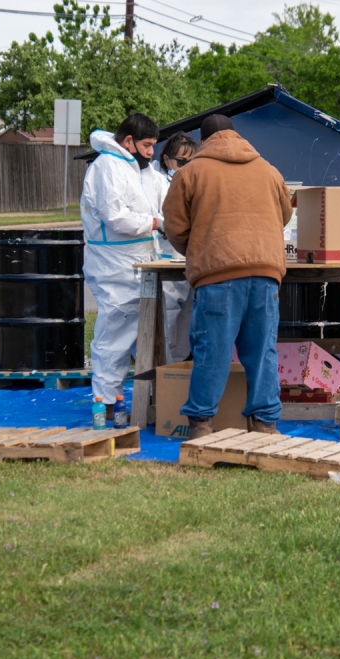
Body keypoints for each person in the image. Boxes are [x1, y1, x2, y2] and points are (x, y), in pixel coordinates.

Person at [163, 114, 293, 438]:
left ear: (202, 142)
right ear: (238, 136)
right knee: (263, 353)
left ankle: (201, 425)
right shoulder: (269, 170)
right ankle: (265, 424)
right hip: (266, 274)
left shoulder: (190, 173)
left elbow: (175, 227)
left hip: (217, 275)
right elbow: (284, 215)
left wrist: (200, 248)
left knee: (213, 352)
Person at [81, 113, 162, 415]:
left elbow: (160, 201)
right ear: (129, 141)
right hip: (114, 266)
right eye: (147, 145)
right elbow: (115, 217)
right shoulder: (108, 166)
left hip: (138, 262)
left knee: (143, 336)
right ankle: (105, 403)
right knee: (114, 337)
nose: (151, 152)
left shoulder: (138, 168)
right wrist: (156, 223)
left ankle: (142, 400)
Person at [153, 132, 199, 363]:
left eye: (191, 162)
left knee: (187, 314)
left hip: (189, 258)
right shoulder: (157, 183)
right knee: (169, 312)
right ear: (166, 159)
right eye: (181, 162)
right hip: (167, 256)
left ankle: (179, 365)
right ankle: (166, 366)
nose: (185, 168)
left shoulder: (194, 182)